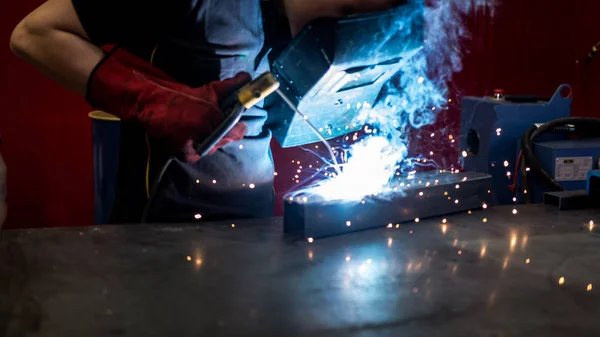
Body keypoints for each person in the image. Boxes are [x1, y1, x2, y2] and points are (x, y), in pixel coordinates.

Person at [10, 0, 401, 224]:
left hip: (253, 233)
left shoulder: (290, 18)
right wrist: (153, 102)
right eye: (347, 11)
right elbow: (34, 34)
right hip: (160, 236)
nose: (344, 30)